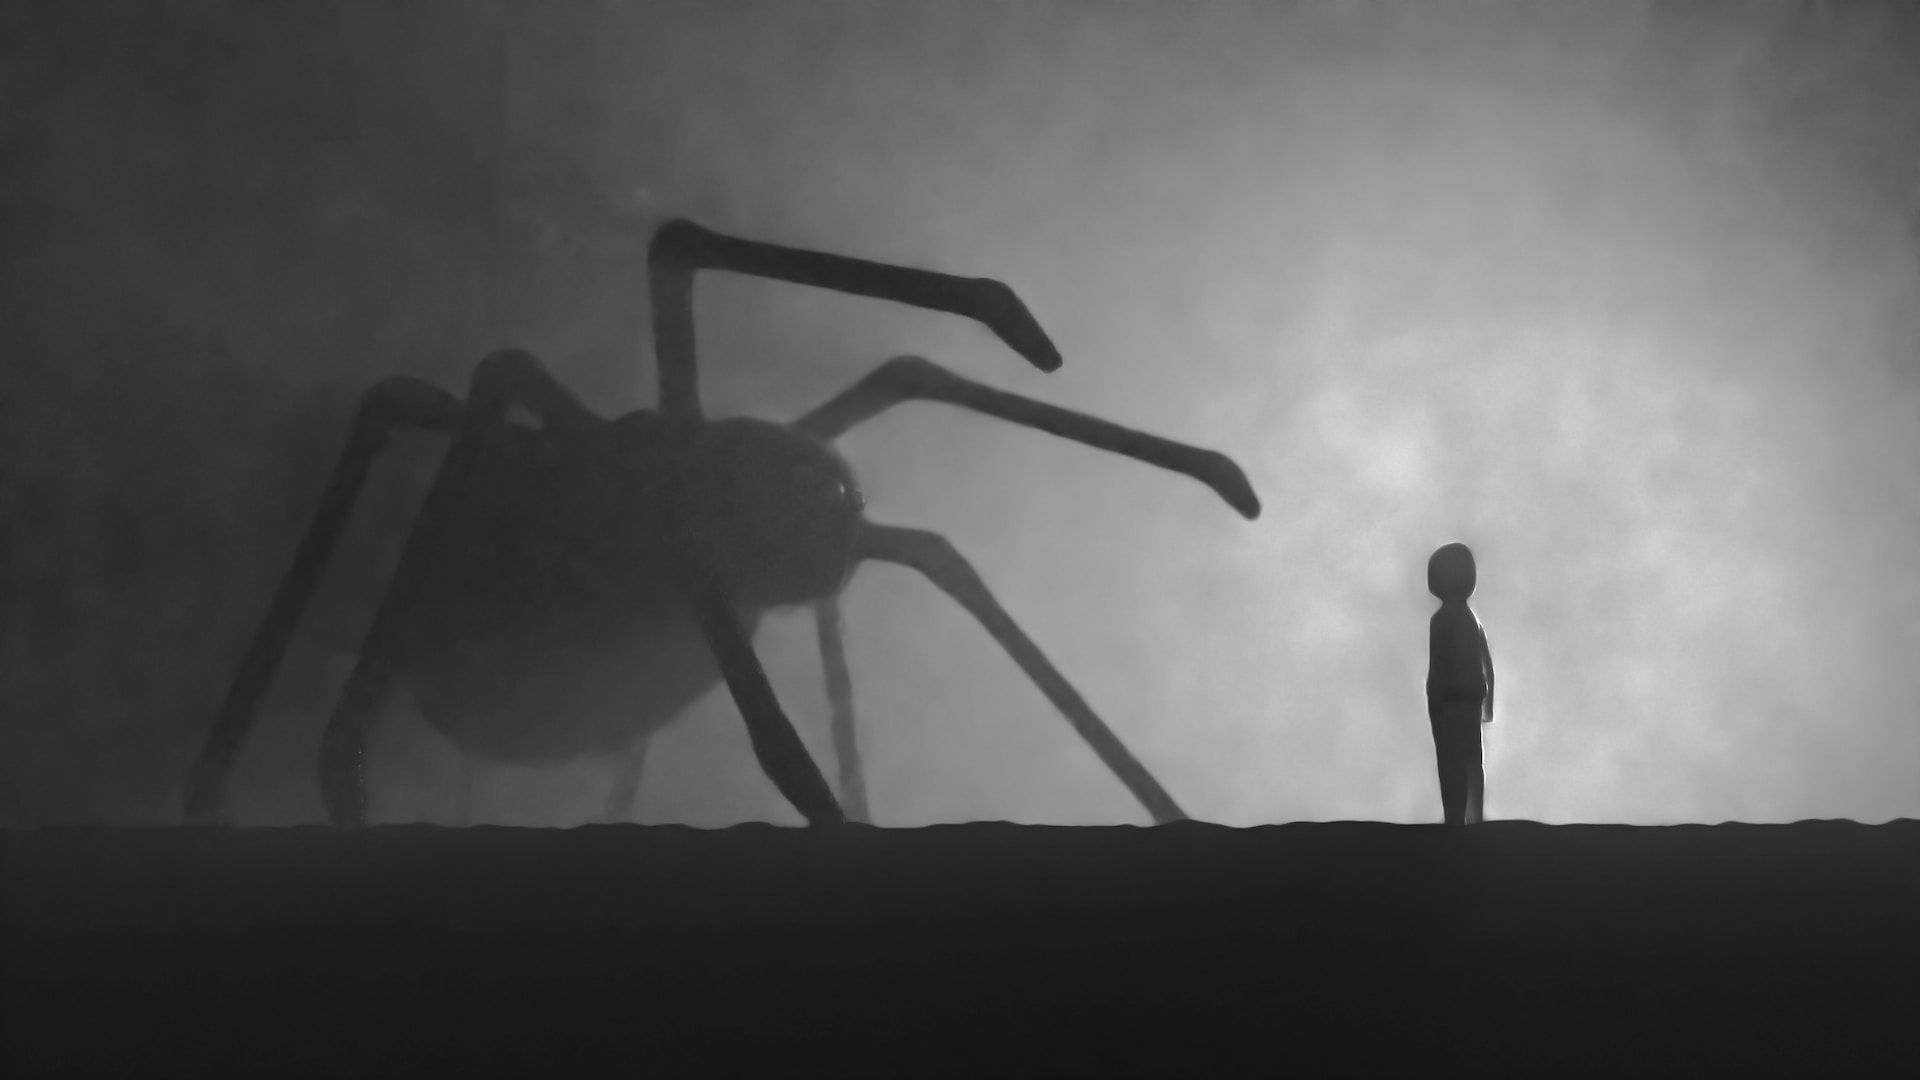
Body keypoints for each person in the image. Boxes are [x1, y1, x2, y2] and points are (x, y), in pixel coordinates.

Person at [1426, 543, 1494, 826]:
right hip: (1468, 698)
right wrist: (1487, 703)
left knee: (1453, 761)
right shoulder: (1471, 619)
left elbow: (1439, 663)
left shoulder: (1442, 620)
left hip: (1451, 700)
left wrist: (1435, 697)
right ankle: (1472, 816)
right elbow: (1487, 665)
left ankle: (1459, 817)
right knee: (1470, 760)